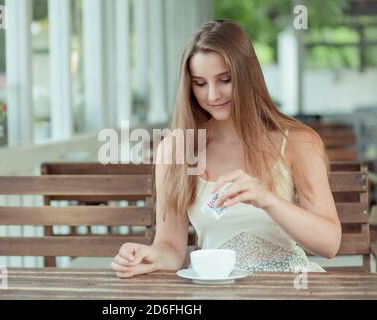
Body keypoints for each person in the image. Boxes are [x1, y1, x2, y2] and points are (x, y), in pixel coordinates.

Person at [111, 19, 341, 277]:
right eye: (200, 83)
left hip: (289, 286)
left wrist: (267, 200)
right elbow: (171, 247)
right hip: (216, 288)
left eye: (225, 80)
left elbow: (329, 244)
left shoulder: (299, 142)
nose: (212, 95)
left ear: (247, 75)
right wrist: (149, 256)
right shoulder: (176, 149)